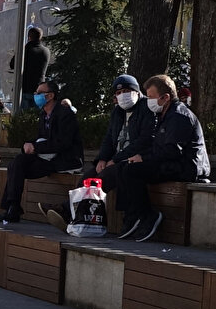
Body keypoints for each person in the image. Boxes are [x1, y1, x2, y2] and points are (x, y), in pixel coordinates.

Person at [96, 74, 210, 242]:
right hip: (171, 162)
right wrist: (140, 157)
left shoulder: (179, 116)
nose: (148, 101)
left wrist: (143, 158)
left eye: (151, 97)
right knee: (123, 167)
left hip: (186, 167)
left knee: (132, 171)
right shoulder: (164, 115)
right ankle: (131, 216)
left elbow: (172, 150)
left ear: (165, 97)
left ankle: (147, 215)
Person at [42, 74, 151, 231]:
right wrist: (102, 159)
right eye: (118, 93)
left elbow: (143, 141)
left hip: (130, 161)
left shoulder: (146, 109)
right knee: (87, 178)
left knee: (101, 179)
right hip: (114, 160)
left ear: (136, 91)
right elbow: (108, 139)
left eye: (126, 91)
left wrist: (117, 159)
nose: (122, 96)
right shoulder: (117, 112)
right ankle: (70, 213)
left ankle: (67, 212)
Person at [0, 80, 84, 223]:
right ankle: (12, 206)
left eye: (39, 93)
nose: (36, 96)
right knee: (16, 163)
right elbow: (43, 138)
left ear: (50, 96)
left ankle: (13, 208)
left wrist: (36, 147)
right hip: (47, 157)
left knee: (18, 165)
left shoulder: (65, 114)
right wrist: (28, 145)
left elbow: (63, 143)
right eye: (36, 93)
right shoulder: (43, 114)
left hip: (63, 160)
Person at [12, 27, 51, 110]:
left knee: (22, 118)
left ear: (29, 37)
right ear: (40, 37)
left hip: (24, 88)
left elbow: (12, 64)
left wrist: (24, 47)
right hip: (39, 89)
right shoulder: (46, 51)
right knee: (38, 117)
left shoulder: (25, 50)